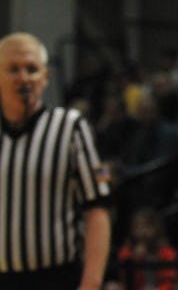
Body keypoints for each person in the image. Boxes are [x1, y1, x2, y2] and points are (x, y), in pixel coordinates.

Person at [0, 32, 112, 290]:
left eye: (32, 69)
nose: (23, 78)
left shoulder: (71, 126)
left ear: (46, 77)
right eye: (13, 69)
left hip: (55, 278)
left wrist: (91, 283)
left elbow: (98, 208)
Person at [115, 207, 178, 290]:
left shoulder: (167, 252)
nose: (142, 231)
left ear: (156, 228)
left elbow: (169, 281)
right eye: (137, 227)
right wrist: (136, 257)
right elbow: (126, 281)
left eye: (146, 226)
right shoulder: (127, 252)